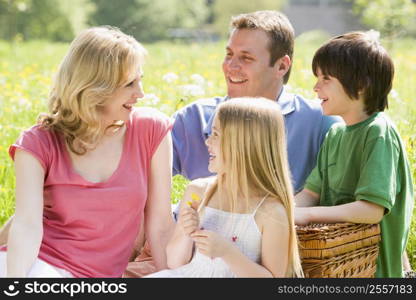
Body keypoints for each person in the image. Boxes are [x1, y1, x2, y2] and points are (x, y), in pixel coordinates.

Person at [123, 9, 340, 278]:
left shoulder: (321, 124)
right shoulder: (195, 117)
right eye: (229, 55)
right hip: (180, 256)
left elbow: (355, 195)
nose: (231, 66)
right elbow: (134, 185)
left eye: (246, 58)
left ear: (282, 66)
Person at [0, 26, 174, 277]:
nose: (141, 94)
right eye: (129, 84)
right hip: (35, 266)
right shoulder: (37, 143)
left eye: (140, 80)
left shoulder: (151, 130)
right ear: (95, 88)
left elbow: (161, 226)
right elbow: (26, 225)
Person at [294, 31, 414, 278]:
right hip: (336, 268)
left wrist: (307, 215)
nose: (316, 87)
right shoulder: (335, 134)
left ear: (361, 85)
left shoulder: (378, 132)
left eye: (326, 78)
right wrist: (280, 212)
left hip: (374, 274)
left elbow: (371, 210)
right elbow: (310, 193)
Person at [146, 97, 303, 277]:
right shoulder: (198, 192)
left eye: (216, 135)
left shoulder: (271, 212)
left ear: (242, 145)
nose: (207, 142)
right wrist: (184, 229)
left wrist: (227, 253)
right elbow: (174, 263)